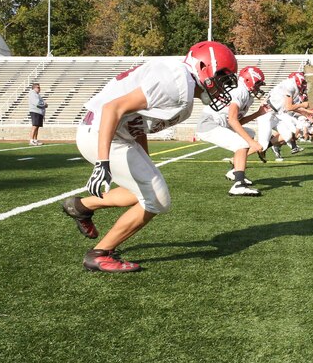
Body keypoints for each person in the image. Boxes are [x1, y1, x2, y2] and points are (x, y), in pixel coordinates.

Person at [60, 40, 238, 273]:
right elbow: (112, 109)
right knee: (157, 199)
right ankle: (99, 254)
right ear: (204, 67)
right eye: (222, 77)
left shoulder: (179, 82)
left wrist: (146, 160)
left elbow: (138, 127)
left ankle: (81, 206)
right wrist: (102, 162)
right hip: (102, 134)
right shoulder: (176, 84)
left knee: (140, 192)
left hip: (114, 135)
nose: (223, 87)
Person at [195, 65, 268, 196]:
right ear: (248, 80)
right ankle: (239, 184)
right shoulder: (240, 91)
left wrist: (258, 113)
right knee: (243, 143)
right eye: (257, 84)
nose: (258, 87)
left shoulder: (247, 96)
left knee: (249, 133)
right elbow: (232, 121)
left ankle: (234, 172)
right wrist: (252, 143)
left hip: (219, 124)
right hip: (209, 124)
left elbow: (236, 122)